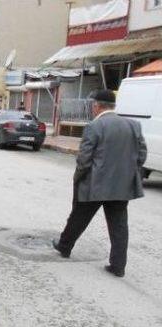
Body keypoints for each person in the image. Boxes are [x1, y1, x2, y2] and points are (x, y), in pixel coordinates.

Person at [52, 89, 147, 277]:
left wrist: (78, 178)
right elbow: (141, 156)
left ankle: (64, 247)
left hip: (94, 185)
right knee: (119, 225)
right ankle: (118, 266)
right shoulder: (134, 125)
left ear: (97, 106)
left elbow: (84, 159)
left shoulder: (94, 127)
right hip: (122, 186)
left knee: (78, 218)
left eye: (93, 105)